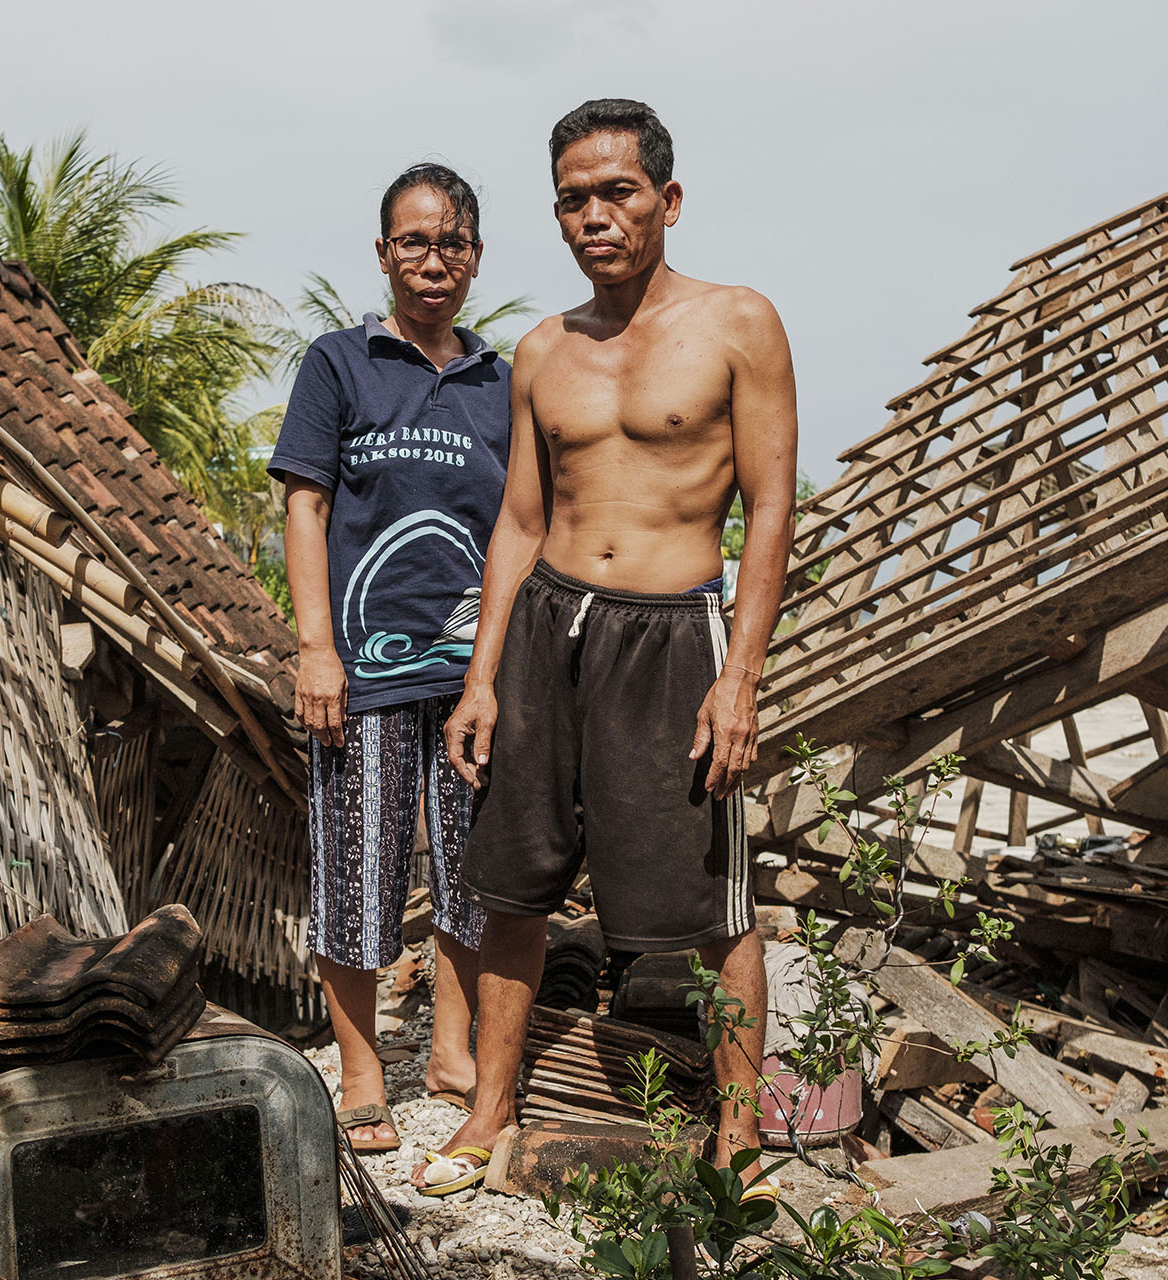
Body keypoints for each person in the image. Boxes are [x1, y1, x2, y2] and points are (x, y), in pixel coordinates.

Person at [421, 99, 799, 1197]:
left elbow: (769, 509)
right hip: (548, 625)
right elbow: (521, 524)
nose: (596, 215)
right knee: (515, 883)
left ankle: (740, 1137)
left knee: (711, 902)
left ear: (667, 201)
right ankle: (490, 1110)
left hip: (675, 634)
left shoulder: (740, 324)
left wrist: (741, 678)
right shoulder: (543, 349)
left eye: (617, 192)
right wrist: (482, 676)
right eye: (574, 198)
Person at [269, 163, 510, 1155]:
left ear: (476, 257)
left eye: (451, 241)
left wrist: (496, 671)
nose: (433, 259)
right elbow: (305, 503)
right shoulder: (340, 362)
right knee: (358, 866)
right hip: (361, 671)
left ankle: (451, 1050)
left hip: (471, 675)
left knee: (471, 871)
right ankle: (363, 1067)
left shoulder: (503, 378)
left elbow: (520, 525)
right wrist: (315, 646)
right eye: (413, 241)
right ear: (382, 254)